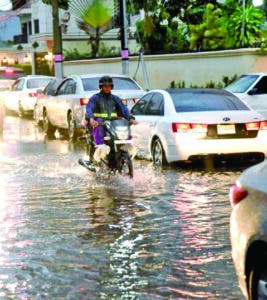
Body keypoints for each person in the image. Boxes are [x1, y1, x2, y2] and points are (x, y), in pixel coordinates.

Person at [84, 75, 137, 170]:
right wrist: (91, 119)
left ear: (111, 87)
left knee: (123, 123)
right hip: (98, 124)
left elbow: (123, 109)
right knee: (99, 121)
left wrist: (130, 118)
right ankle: (99, 150)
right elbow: (89, 108)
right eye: (105, 86)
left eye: (109, 86)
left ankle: (123, 151)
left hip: (112, 125)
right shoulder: (95, 98)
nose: (107, 87)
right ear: (101, 87)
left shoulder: (115, 99)